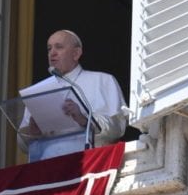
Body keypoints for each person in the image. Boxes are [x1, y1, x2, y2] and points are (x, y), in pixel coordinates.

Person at [18, 30, 126, 161]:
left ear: (76, 53)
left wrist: (83, 118)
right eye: (49, 48)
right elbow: (22, 145)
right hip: (47, 166)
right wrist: (32, 132)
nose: (52, 53)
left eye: (59, 47)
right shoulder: (38, 91)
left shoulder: (103, 80)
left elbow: (117, 128)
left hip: (89, 163)